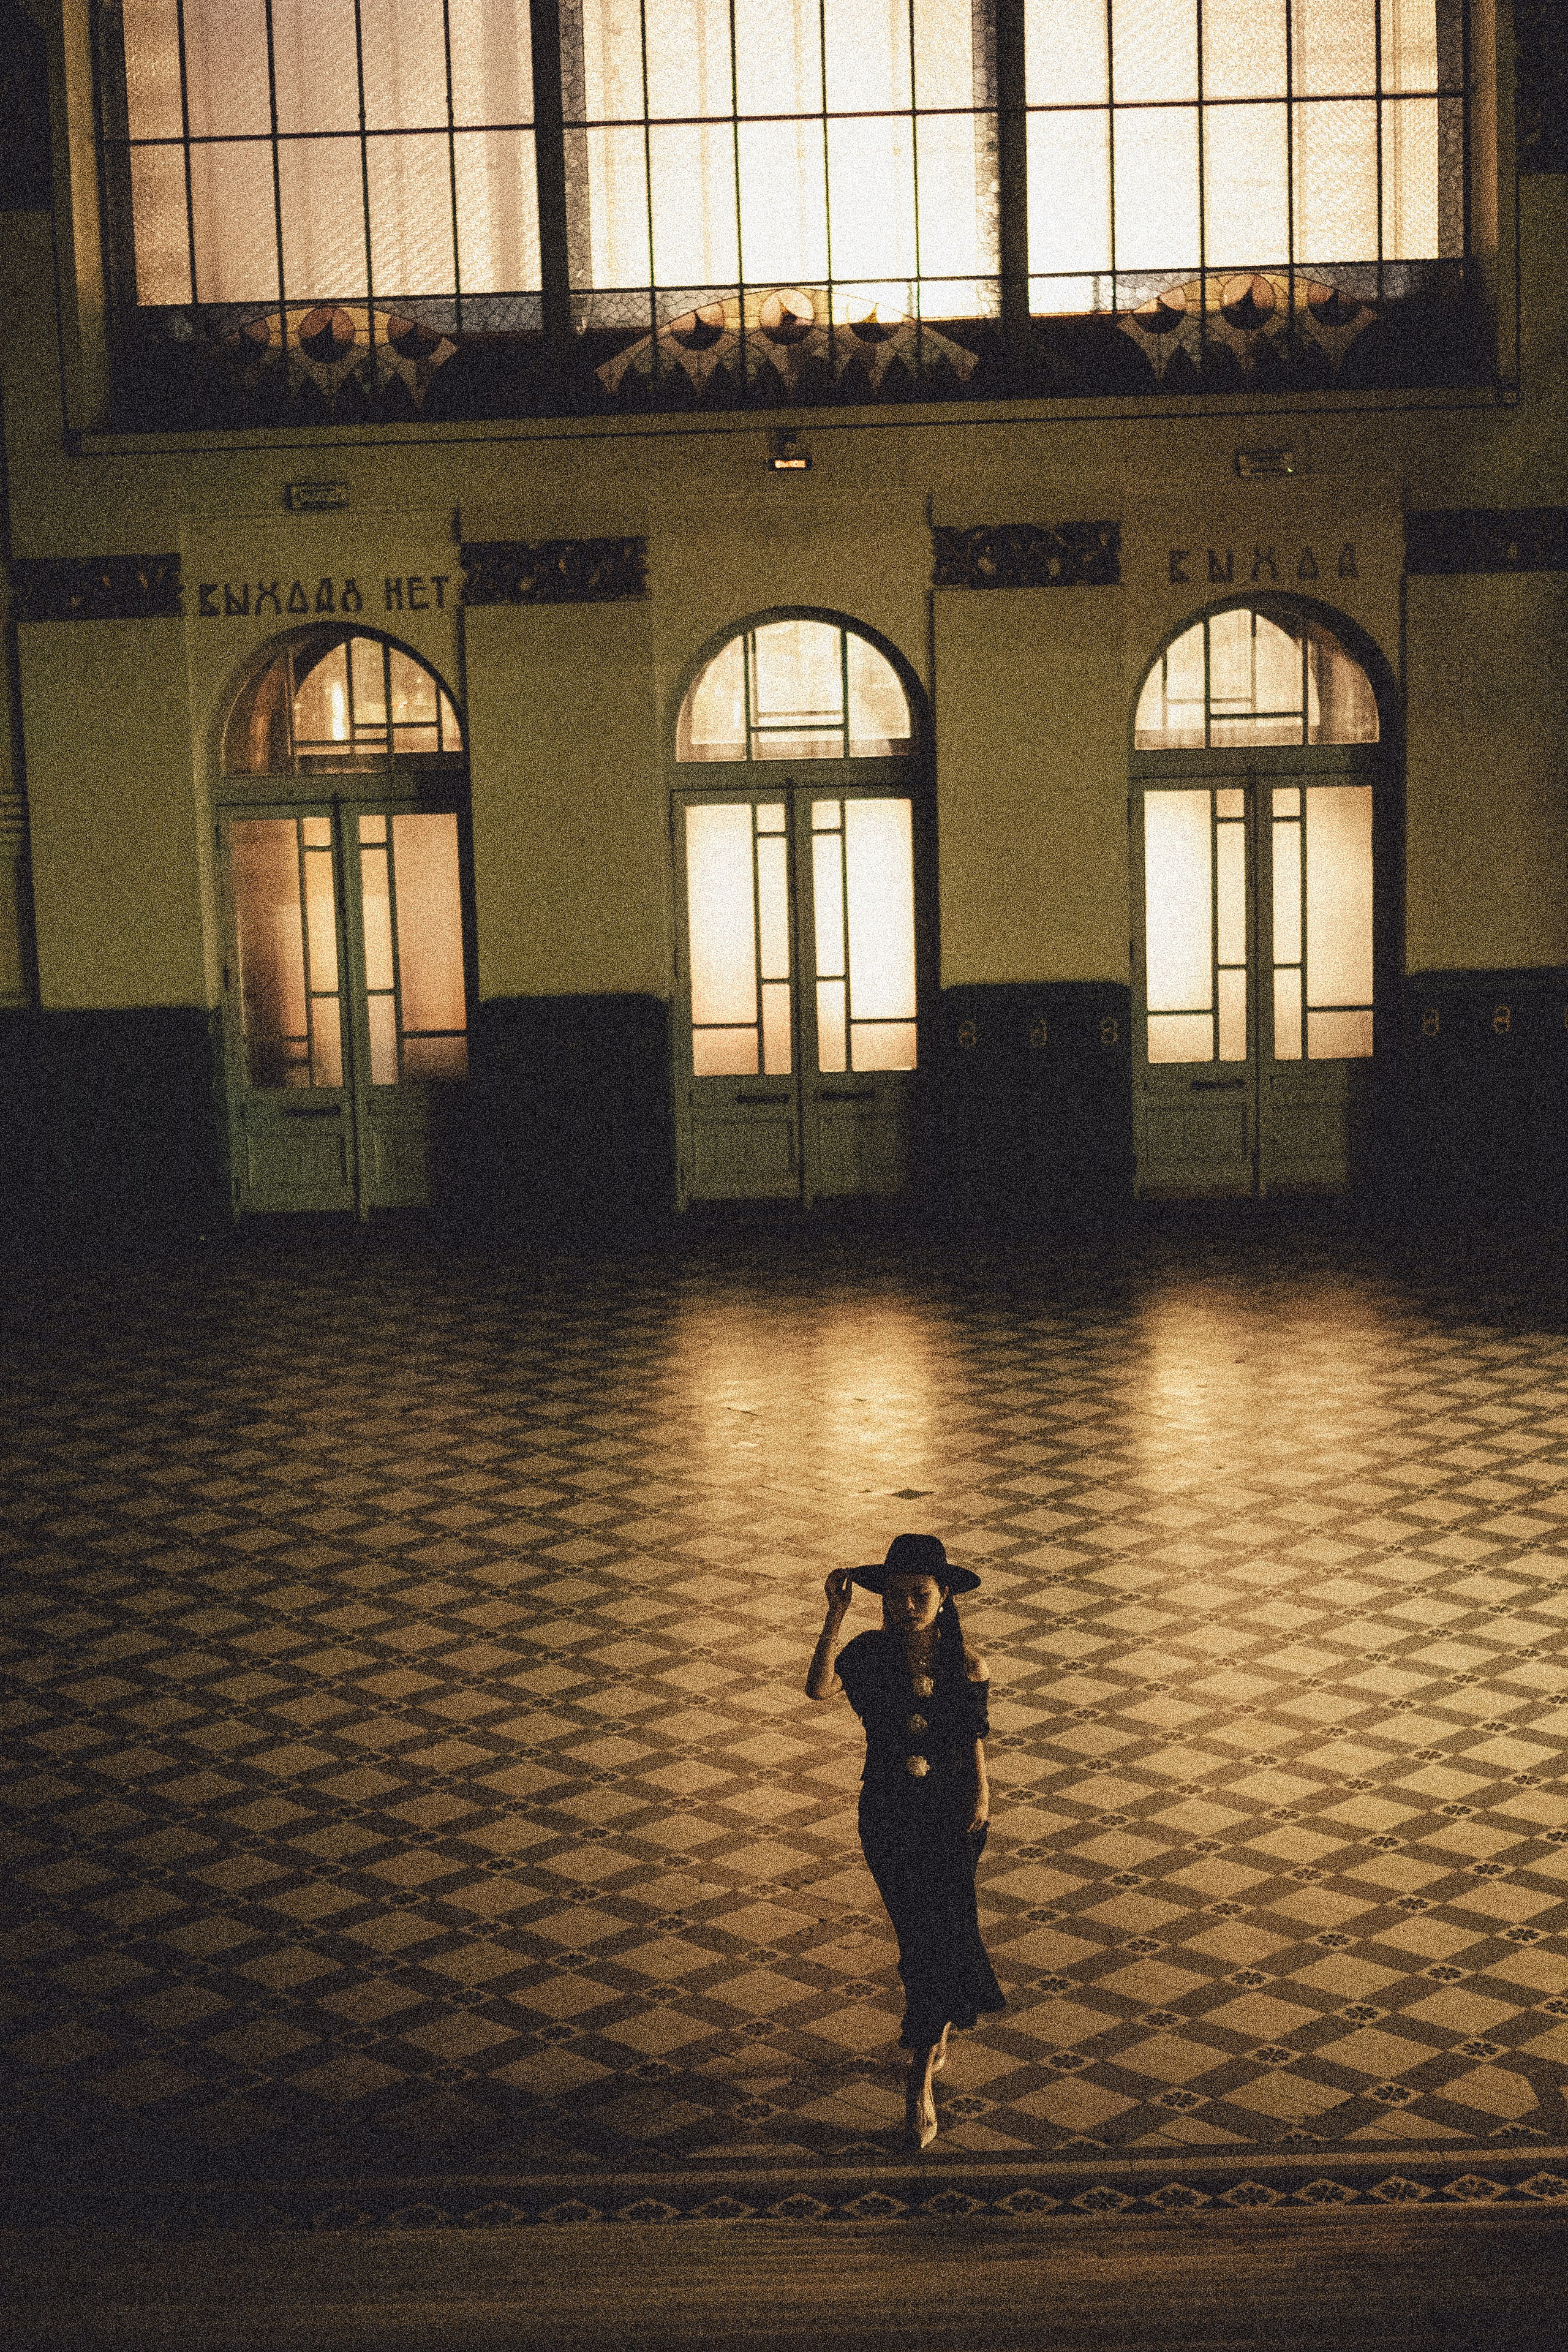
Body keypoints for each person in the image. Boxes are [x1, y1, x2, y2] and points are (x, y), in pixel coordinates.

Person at [805, 1532, 1005, 2149]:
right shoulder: (866, 1655)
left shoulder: (966, 1662)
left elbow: (974, 1732)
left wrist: (982, 1795)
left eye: (919, 1594)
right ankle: (934, 2022)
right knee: (918, 1930)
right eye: (894, 1596)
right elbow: (817, 1689)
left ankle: (918, 2080)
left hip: (951, 1812)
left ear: (943, 1597)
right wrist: (834, 1616)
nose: (906, 1606)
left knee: (943, 1931)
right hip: (889, 1810)